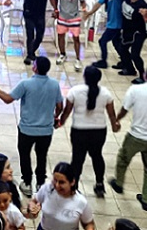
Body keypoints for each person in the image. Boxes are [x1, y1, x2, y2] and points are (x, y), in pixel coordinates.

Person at [0, 56, 62, 196]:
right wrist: (55, 116)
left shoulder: (26, 84)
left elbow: (7, 99)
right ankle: (41, 182)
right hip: (46, 130)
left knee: (25, 155)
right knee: (42, 156)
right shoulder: (54, 84)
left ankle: (27, 182)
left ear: (34, 67)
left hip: (26, 130)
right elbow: (60, 105)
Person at [107, 64, 147, 211]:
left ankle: (118, 183)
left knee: (123, 159)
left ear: (145, 76)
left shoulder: (135, 90)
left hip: (136, 135)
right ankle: (146, 199)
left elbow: (125, 109)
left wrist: (117, 120)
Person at [58, 66, 120, 197]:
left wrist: (60, 122)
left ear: (84, 77)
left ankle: (73, 186)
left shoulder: (75, 91)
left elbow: (67, 111)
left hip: (79, 131)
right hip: (99, 131)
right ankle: (99, 184)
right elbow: (111, 114)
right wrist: (115, 125)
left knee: (77, 160)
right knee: (97, 156)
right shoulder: (106, 93)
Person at [4, 0, 55, 65]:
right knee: (30, 35)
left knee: (40, 36)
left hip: (40, 14)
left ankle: (31, 52)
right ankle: (29, 55)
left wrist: (56, 9)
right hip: (29, 14)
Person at [27, 162, 96, 230]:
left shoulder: (81, 202)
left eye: (61, 182)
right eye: (55, 180)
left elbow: (88, 224)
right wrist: (32, 207)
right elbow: (34, 201)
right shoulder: (46, 189)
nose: (57, 185)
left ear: (72, 182)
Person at [84, 0, 127, 70]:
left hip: (116, 24)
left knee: (102, 41)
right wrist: (90, 13)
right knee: (116, 42)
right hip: (111, 22)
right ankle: (125, 61)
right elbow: (98, 4)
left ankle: (104, 61)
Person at [117, 0, 147, 83]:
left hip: (138, 33)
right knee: (122, 49)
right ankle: (130, 69)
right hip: (127, 31)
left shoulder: (142, 4)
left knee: (135, 54)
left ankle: (142, 75)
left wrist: (145, 16)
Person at [53, 0, 87, 71]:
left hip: (74, 18)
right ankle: (62, 54)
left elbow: (82, 1)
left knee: (76, 38)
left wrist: (84, 9)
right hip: (62, 17)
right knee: (60, 36)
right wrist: (55, 10)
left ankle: (77, 59)